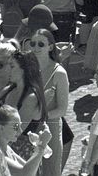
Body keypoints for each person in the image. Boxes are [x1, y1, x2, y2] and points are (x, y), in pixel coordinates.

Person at [25, 29, 70, 176]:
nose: (36, 48)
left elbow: (62, 110)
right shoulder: (27, 68)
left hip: (50, 128)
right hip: (28, 127)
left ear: (50, 47)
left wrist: (39, 116)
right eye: (33, 43)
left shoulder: (59, 73)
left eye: (41, 44)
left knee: (51, 171)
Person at [0, 103, 51, 176]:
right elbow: (26, 173)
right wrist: (41, 146)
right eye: (16, 127)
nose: (20, 131)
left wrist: (39, 145)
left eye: (20, 126)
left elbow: (30, 170)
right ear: (1, 128)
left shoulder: (7, 149)